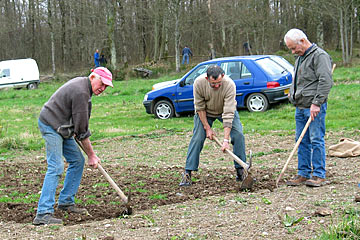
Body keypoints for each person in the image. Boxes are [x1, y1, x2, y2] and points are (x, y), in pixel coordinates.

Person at [33, 67, 114, 225]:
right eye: (101, 83)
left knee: (77, 161)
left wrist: (87, 151)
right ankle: (43, 213)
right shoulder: (81, 92)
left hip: (63, 127)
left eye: (106, 86)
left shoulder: (84, 88)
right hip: (51, 124)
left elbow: (80, 128)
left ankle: (65, 203)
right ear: (92, 77)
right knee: (56, 166)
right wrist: (91, 155)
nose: (102, 88)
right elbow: (82, 132)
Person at [179, 65, 247, 186]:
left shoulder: (229, 85)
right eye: (213, 84)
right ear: (207, 79)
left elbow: (228, 112)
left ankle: (241, 170)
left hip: (225, 111)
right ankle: (187, 172)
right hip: (205, 112)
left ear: (223, 77)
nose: (216, 86)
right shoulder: (199, 83)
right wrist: (207, 127)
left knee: (238, 135)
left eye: (219, 83)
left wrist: (226, 140)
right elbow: (199, 107)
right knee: (198, 137)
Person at [284, 28, 333, 187]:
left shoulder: (320, 56)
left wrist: (317, 103)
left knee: (316, 139)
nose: (292, 51)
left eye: (293, 47)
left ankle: (319, 174)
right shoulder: (300, 57)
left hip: (313, 107)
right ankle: (303, 173)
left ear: (303, 41)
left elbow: (325, 81)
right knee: (301, 140)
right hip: (300, 106)